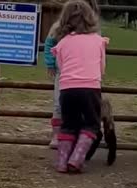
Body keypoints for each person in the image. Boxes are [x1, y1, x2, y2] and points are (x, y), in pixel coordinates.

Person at [51, 0, 108, 173]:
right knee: (91, 124)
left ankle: (62, 162)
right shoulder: (98, 41)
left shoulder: (62, 43)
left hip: (67, 89)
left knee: (68, 124)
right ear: (91, 17)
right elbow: (102, 68)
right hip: (90, 88)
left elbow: (60, 66)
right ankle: (77, 158)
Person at [44, 0, 101, 149]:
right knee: (58, 103)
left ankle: (74, 136)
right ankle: (57, 134)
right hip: (63, 72)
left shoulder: (92, 29)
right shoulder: (58, 27)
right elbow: (50, 43)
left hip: (84, 74)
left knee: (81, 106)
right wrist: (50, 63)